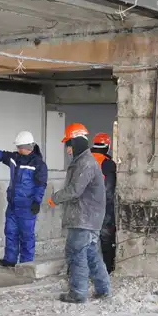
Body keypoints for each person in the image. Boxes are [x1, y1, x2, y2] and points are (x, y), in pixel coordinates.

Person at [49, 123, 110, 303]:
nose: (68, 150)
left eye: (68, 145)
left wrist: (55, 198)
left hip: (84, 218)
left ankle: (78, 293)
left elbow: (75, 190)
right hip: (89, 218)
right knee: (91, 255)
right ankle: (103, 289)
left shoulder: (85, 163)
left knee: (76, 254)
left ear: (75, 143)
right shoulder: (85, 161)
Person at [0, 131, 48, 267]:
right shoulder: (15, 158)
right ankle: (10, 260)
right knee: (10, 232)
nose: (18, 149)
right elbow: (2, 155)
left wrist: (37, 201)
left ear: (27, 147)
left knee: (26, 236)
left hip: (27, 207)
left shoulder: (38, 164)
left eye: (20, 147)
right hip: (13, 205)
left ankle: (26, 265)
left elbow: (41, 185)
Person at [91, 132, 117, 273]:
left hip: (84, 206)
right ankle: (108, 269)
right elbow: (109, 190)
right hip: (102, 206)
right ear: (108, 146)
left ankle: (81, 270)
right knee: (106, 238)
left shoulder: (84, 160)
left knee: (85, 239)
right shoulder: (108, 164)